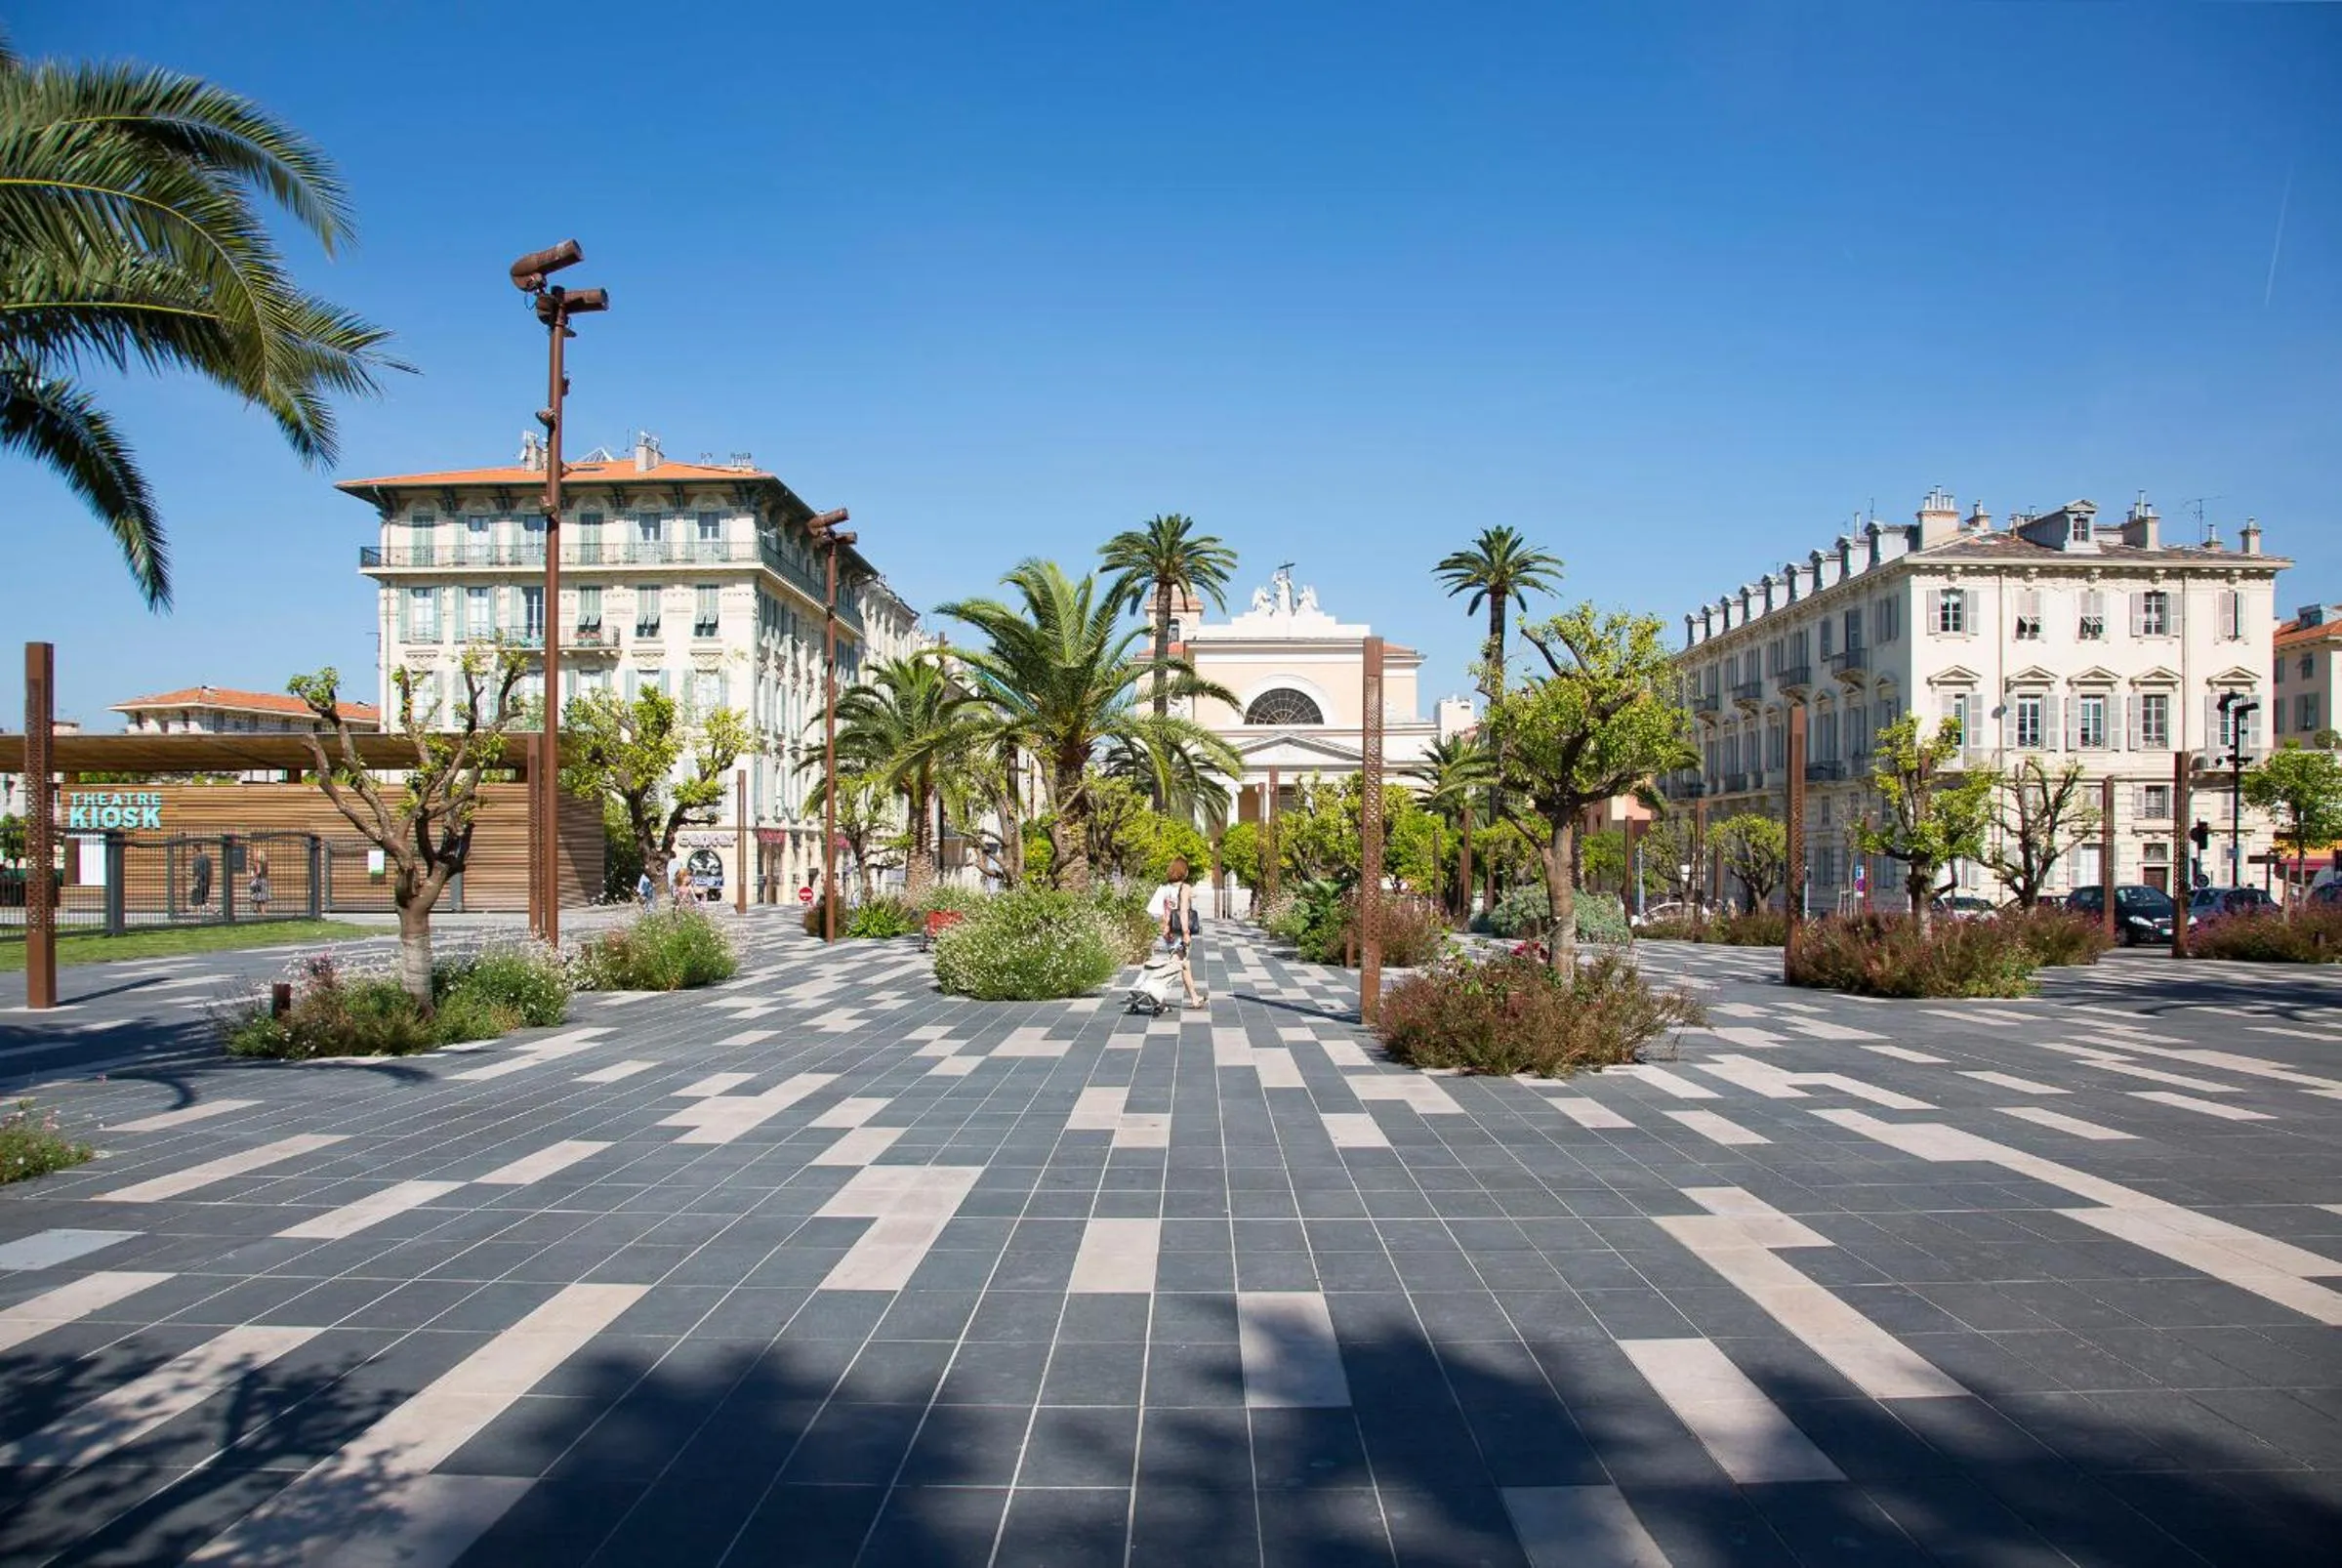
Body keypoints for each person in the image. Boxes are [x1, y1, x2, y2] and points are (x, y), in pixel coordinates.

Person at [1146, 855, 1207, 1008]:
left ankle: (1194, 998)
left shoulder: (1166, 888)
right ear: (1184, 872)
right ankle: (1155, 993)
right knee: (1174, 966)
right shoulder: (1184, 888)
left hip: (1167, 931)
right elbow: (1183, 912)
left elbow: (1162, 910)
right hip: (1178, 933)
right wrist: (1186, 932)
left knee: (1183, 964)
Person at [248, 852, 271, 916]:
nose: (255, 857)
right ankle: (263, 914)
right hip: (264, 881)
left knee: (258, 899)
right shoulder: (265, 864)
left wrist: (253, 876)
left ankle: (260, 914)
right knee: (263, 900)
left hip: (259, 882)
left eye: (256, 855)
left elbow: (258, 873)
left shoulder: (258, 864)